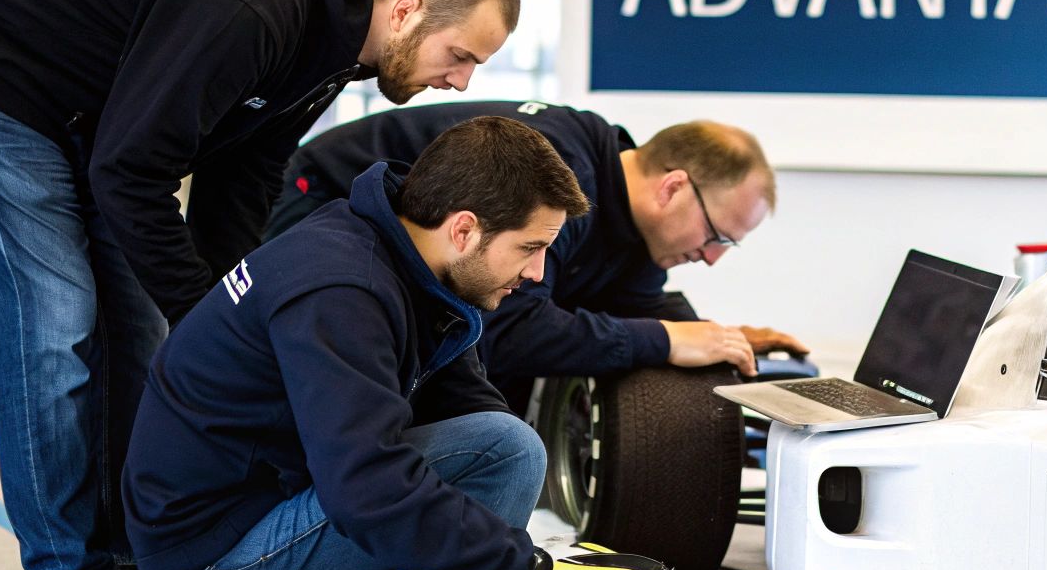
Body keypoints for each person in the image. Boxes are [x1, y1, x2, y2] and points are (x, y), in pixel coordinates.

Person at [0, 0, 518, 570]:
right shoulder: (256, 1)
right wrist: (206, 317)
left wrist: (231, 313)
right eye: (460, 55)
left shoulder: (336, 40)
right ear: (407, 10)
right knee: (55, 329)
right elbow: (131, 171)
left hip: (98, 113)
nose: (459, 81)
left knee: (135, 335)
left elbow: (242, 178)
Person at [123, 116, 592, 570]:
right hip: (218, 557)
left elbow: (464, 403)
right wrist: (519, 563)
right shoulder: (344, 290)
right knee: (507, 455)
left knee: (500, 450)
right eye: (530, 247)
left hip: (259, 510)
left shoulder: (393, 252)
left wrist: (509, 543)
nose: (537, 274)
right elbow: (365, 488)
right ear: (463, 229)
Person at [265, 101, 806, 407]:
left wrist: (723, 342)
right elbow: (508, 330)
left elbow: (634, 309)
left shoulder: (639, 232)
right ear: (673, 188)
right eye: (717, 237)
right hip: (321, 197)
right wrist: (663, 339)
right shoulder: (562, 176)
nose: (712, 258)